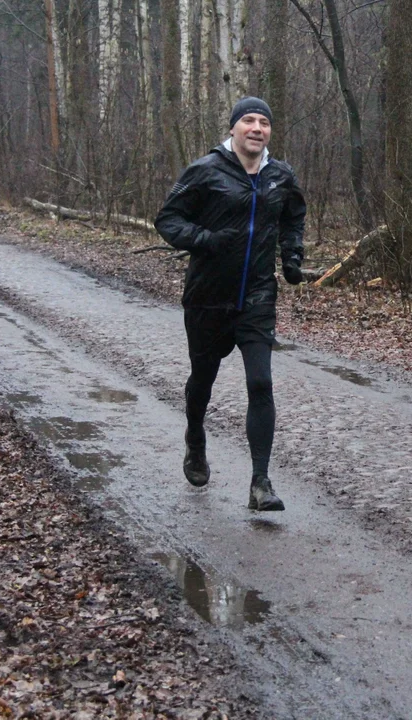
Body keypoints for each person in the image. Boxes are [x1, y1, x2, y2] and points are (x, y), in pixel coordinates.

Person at [154, 96, 306, 512]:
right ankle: (195, 438)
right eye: (249, 121)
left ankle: (260, 483)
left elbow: (293, 217)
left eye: (264, 122)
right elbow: (167, 219)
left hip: (257, 297)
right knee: (202, 380)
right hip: (208, 298)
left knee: (260, 384)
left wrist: (292, 257)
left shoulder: (280, 175)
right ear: (234, 128)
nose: (257, 128)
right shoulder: (205, 171)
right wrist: (206, 241)